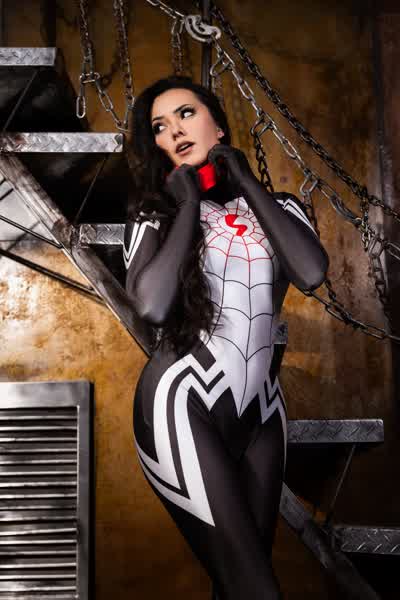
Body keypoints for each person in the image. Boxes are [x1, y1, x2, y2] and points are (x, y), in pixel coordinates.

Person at [124, 75, 328, 600]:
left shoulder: (281, 207)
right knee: (256, 590)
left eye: (186, 114)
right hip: (182, 404)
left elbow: (310, 272)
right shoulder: (153, 215)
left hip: (262, 413)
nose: (174, 131)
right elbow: (152, 306)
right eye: (159, 127)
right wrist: (188, 204)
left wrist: (245, 180)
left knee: (239, 586)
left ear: (217, 125)